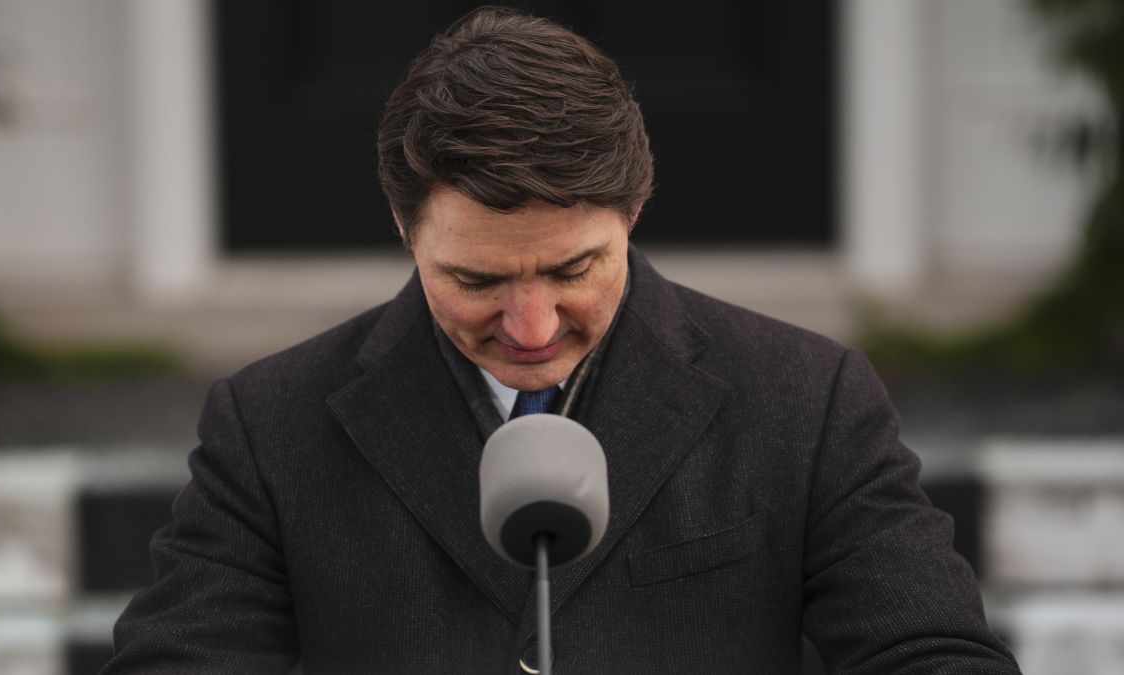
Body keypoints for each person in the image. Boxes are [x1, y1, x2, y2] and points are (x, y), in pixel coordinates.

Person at [105, 7, 1021, 674]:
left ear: (635, 207)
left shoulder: (808, 399)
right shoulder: (269, 427)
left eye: (575, 269)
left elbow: (930, 651)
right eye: (477, 281)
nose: (532, 327)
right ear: (402, 224)